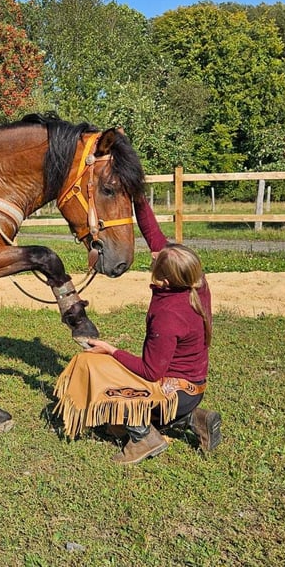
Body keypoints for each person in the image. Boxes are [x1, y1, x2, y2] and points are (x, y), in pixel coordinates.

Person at [54, 196, 222, 464]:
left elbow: (150, 372)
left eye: (156, 262)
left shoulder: (168, 316)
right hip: (192, 388)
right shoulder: (195, 282)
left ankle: (143, 436)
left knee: (94, 367)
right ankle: (193, 420)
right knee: (111, 377)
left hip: (173, 393)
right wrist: (136, 194)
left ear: (165, 279)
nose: (153, 258)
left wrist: (111, 350)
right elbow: (152, 232)